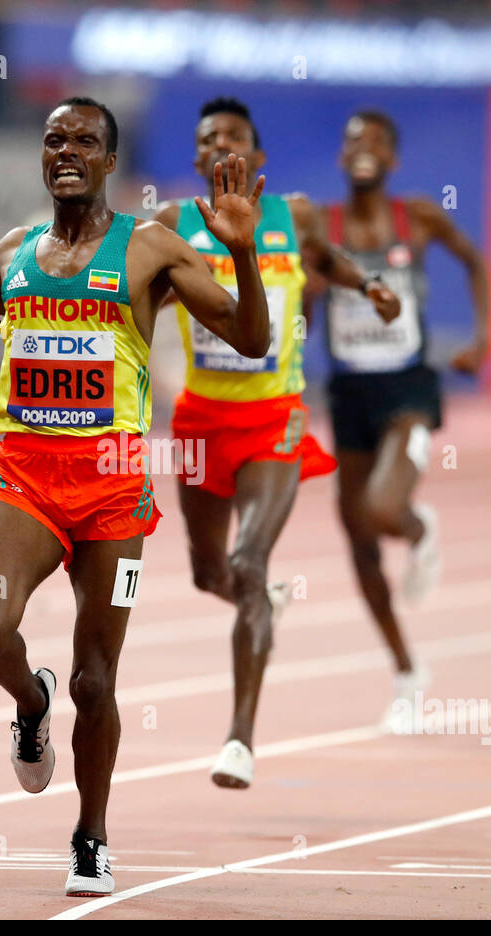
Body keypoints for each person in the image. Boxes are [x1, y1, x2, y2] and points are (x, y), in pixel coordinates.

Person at [0, 97, 272, 896]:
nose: (65, 150)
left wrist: (242, 254)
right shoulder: (16, 253)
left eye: (84, 140)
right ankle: (30, 700)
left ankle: (91, 835)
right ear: (42, 159)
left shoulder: (149, 251)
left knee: (97, 681)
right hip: (27, 482)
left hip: (114, 500)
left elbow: (250, 338)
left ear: (110, 162)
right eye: (53, 139)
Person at [153, 96, 400, 788]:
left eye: (234, 136)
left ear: (257, 157)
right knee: (209, 574)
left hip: (275, 418)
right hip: (201, 419)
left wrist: (371, 283)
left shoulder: (295, 217)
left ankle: (239, 738)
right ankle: (262, 598)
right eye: (208, 138)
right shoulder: (173, 226)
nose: (220, 145)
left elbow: (331, 258)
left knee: (248, 560)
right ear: (198, 157)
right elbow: (135, 293)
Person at [318, 109, 489, 731]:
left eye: (377, 142)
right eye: (353, 139)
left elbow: (474, 260)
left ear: (392, 158)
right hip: (348, 392)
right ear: (342, 156)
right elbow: (307, 300)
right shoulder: (323, 226)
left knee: (382, 510)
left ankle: (418, 529)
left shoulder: (417, 216)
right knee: (358, 542)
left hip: (408, 389)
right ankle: (406, 672)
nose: (364, 149)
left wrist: (482, 337)